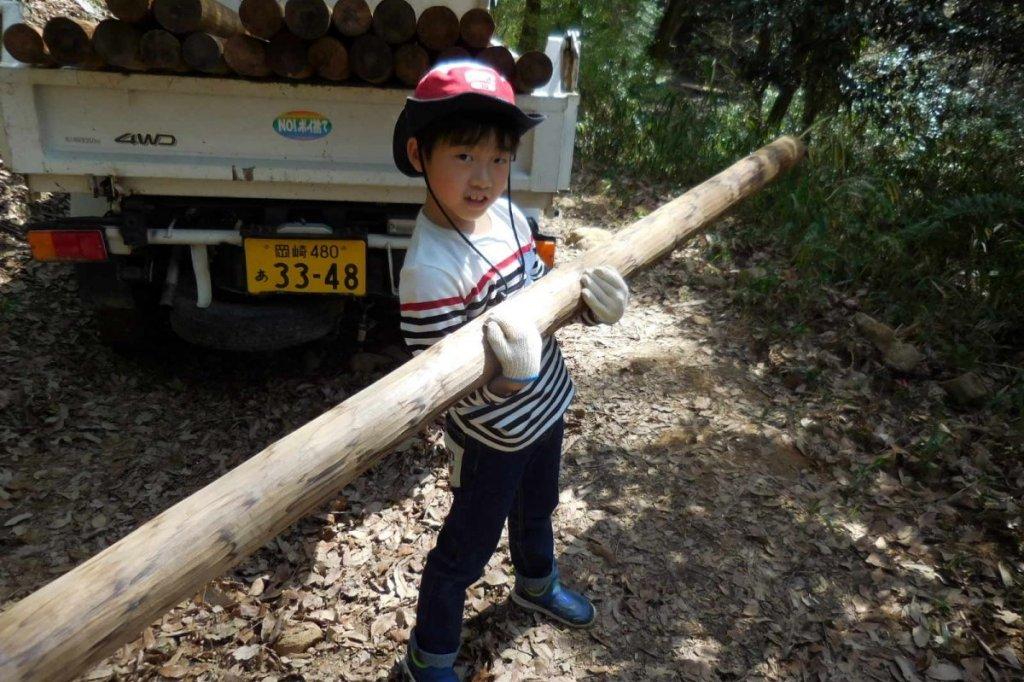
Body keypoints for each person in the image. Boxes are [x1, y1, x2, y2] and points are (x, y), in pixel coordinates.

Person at [393, 62, 630, 682]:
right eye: (465, 155)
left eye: (498, 160)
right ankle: (431, 655)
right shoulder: (429, 269)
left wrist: (587, 307)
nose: (483, 177)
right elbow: (437, 381)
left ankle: (535, 584)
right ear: (420, 154)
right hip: (493, 436)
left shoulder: (510, 218)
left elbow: (539, 298)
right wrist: (507, 381)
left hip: (546, 410)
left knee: (539, 507)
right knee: (463, 553)